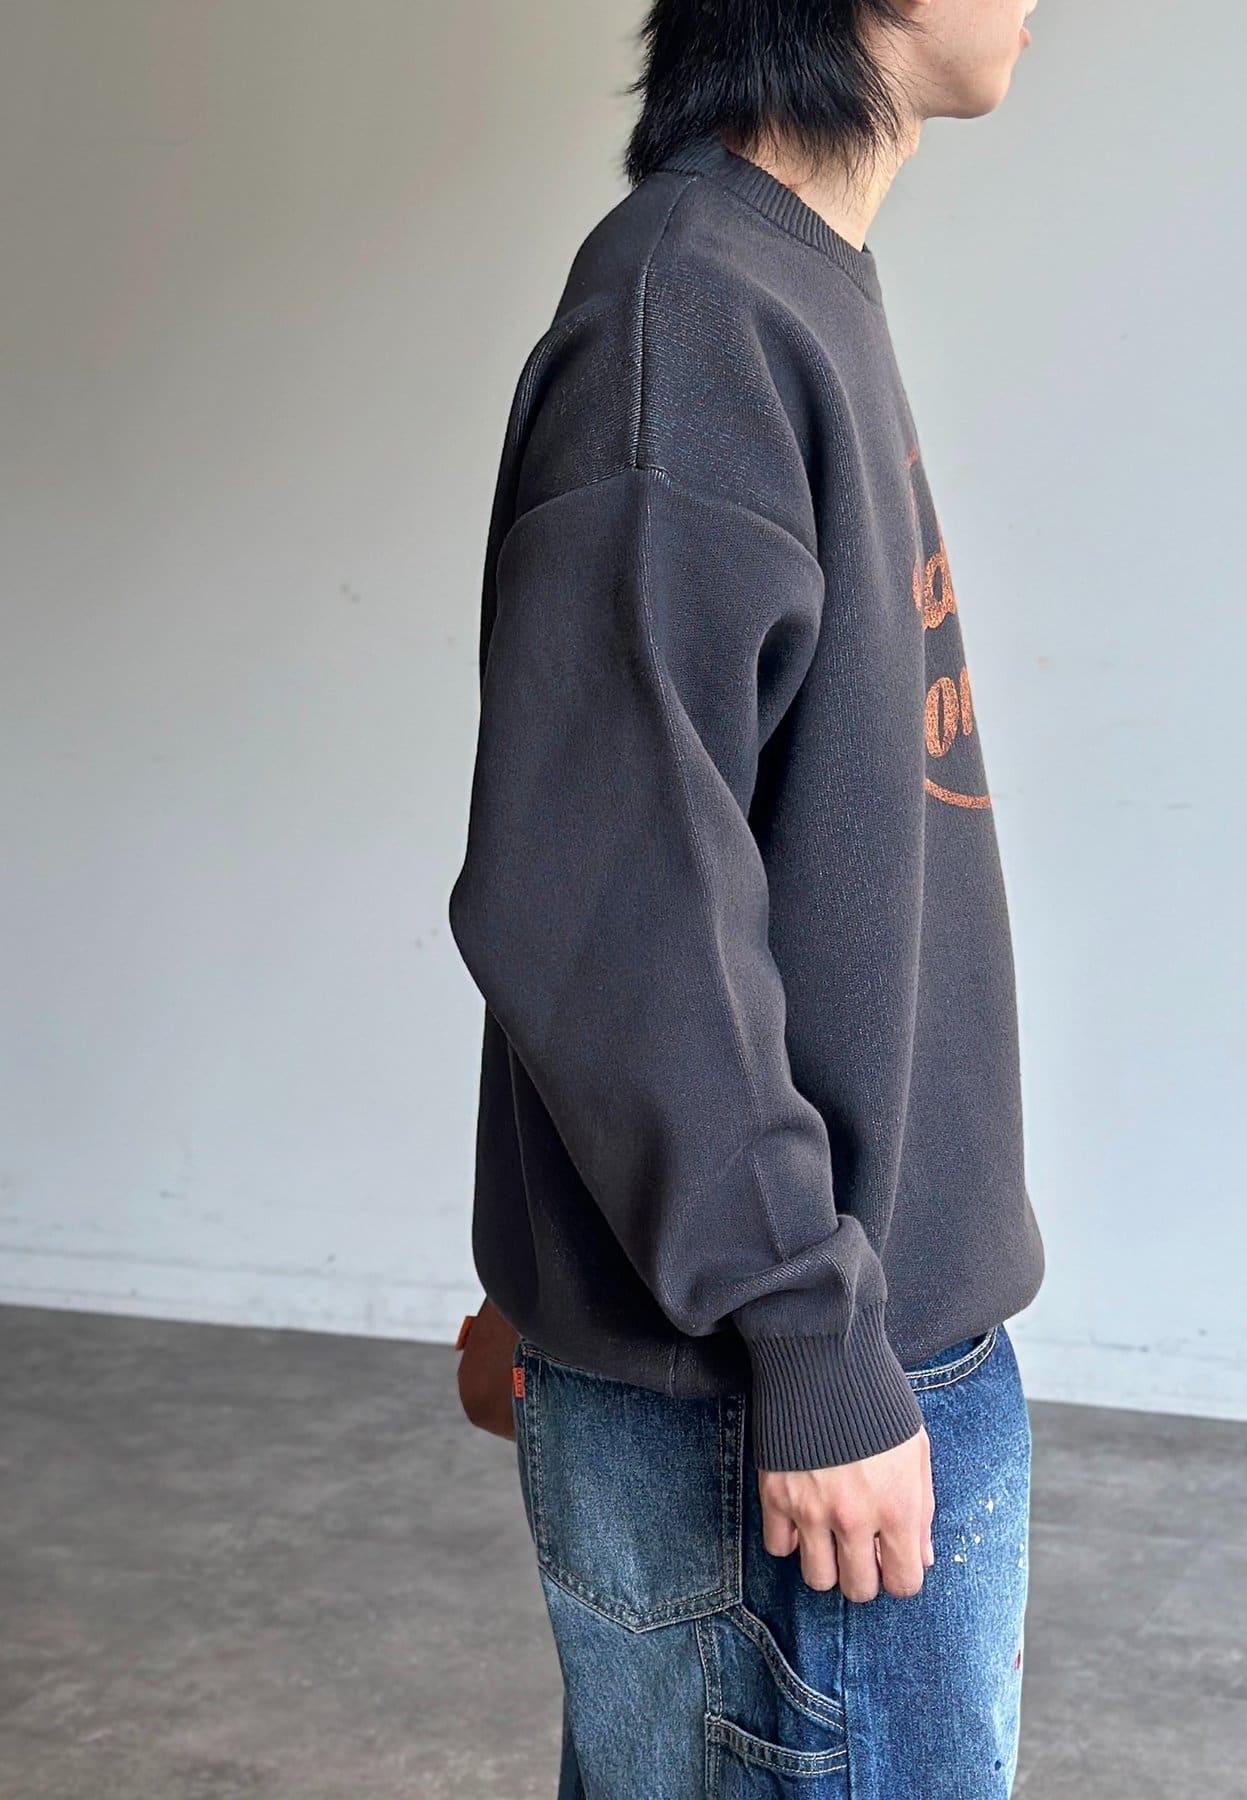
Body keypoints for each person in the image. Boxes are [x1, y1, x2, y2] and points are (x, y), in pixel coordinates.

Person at [449, 1, 1045, 1791]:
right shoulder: (691, 314)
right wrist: (796, 1320)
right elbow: (604, 891)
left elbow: (687, 835)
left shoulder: (775, 287)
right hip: (777, 1408)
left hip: (823, 1362)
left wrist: (570, 1273)